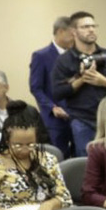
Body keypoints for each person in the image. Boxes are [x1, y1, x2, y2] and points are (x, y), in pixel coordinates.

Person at [52, 10, 106, 152]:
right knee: (87, 165)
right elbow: (57, 92)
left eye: (93, 26)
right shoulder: (64, 60)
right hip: (83, 121)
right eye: (85, 27)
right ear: (73, 31)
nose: (91, 30)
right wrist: (82, 79)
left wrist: (105, 82)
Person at [28, 15, 75, 157]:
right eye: (72, 34)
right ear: (61, 31)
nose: (75, 38)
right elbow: (36, 87)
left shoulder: (76, 55)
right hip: (55, 119)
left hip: (77, 117)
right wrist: (52, 107)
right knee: (57, 157)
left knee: (80, 156)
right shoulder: (41, 56)